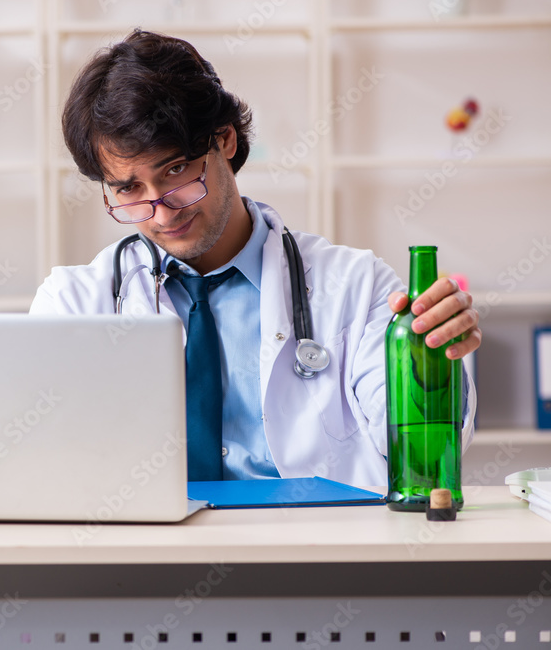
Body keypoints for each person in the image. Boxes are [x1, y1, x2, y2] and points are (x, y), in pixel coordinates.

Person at [29, 30, 481, 486]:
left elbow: (417, 458)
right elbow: (41, 470)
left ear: (224, 140)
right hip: (147, 553)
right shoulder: (73, 305)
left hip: (310, 549)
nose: (162, 210)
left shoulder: (355, 286)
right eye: (129, 189)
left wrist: (434, 362)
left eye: (175, 170)